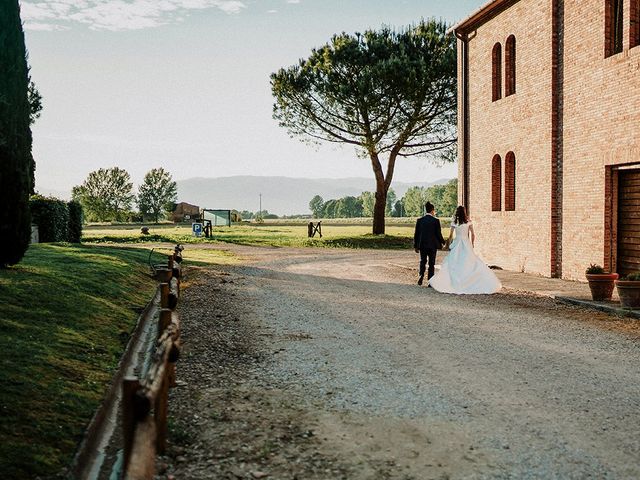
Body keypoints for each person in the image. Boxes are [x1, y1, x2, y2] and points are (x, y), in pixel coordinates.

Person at [429, 205, 501, 294]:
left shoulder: (454, 222)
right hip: (466, 243)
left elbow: (451, 235)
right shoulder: (468, 221)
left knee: (455, 262)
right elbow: (473, 234)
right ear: (464, 212)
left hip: (457, 243)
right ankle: (470, 281)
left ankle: (455, 282)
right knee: (469, 261)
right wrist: (472, 244)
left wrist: (448, 244)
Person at [414, 201, 445, 286]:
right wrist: (443, 242)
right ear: (432, 210)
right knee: (431, 263)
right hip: (432, 245)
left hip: (422, 245)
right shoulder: (436, 221)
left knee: (422, 261)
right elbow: (438, 234)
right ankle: (430, 281)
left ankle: (421, 276)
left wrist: (416, 246)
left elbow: (416, 234)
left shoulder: (420, 220)